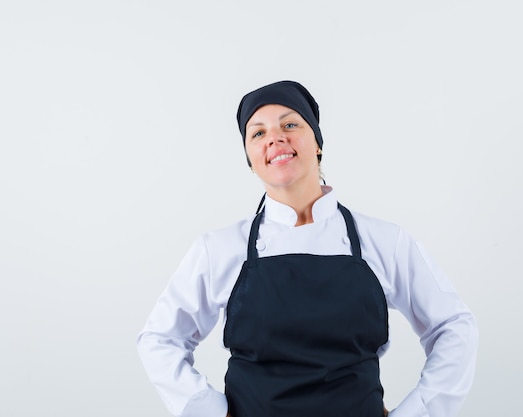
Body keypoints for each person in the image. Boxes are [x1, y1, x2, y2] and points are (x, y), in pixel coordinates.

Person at [137, 80, 478, 417]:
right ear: (250, 159)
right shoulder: (220, 248)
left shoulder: (386, 241)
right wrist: (209, 411)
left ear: (317, 143)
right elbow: (159, 339)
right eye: (258, 133)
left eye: (290, 124)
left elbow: (453, 325)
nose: (275, 138)